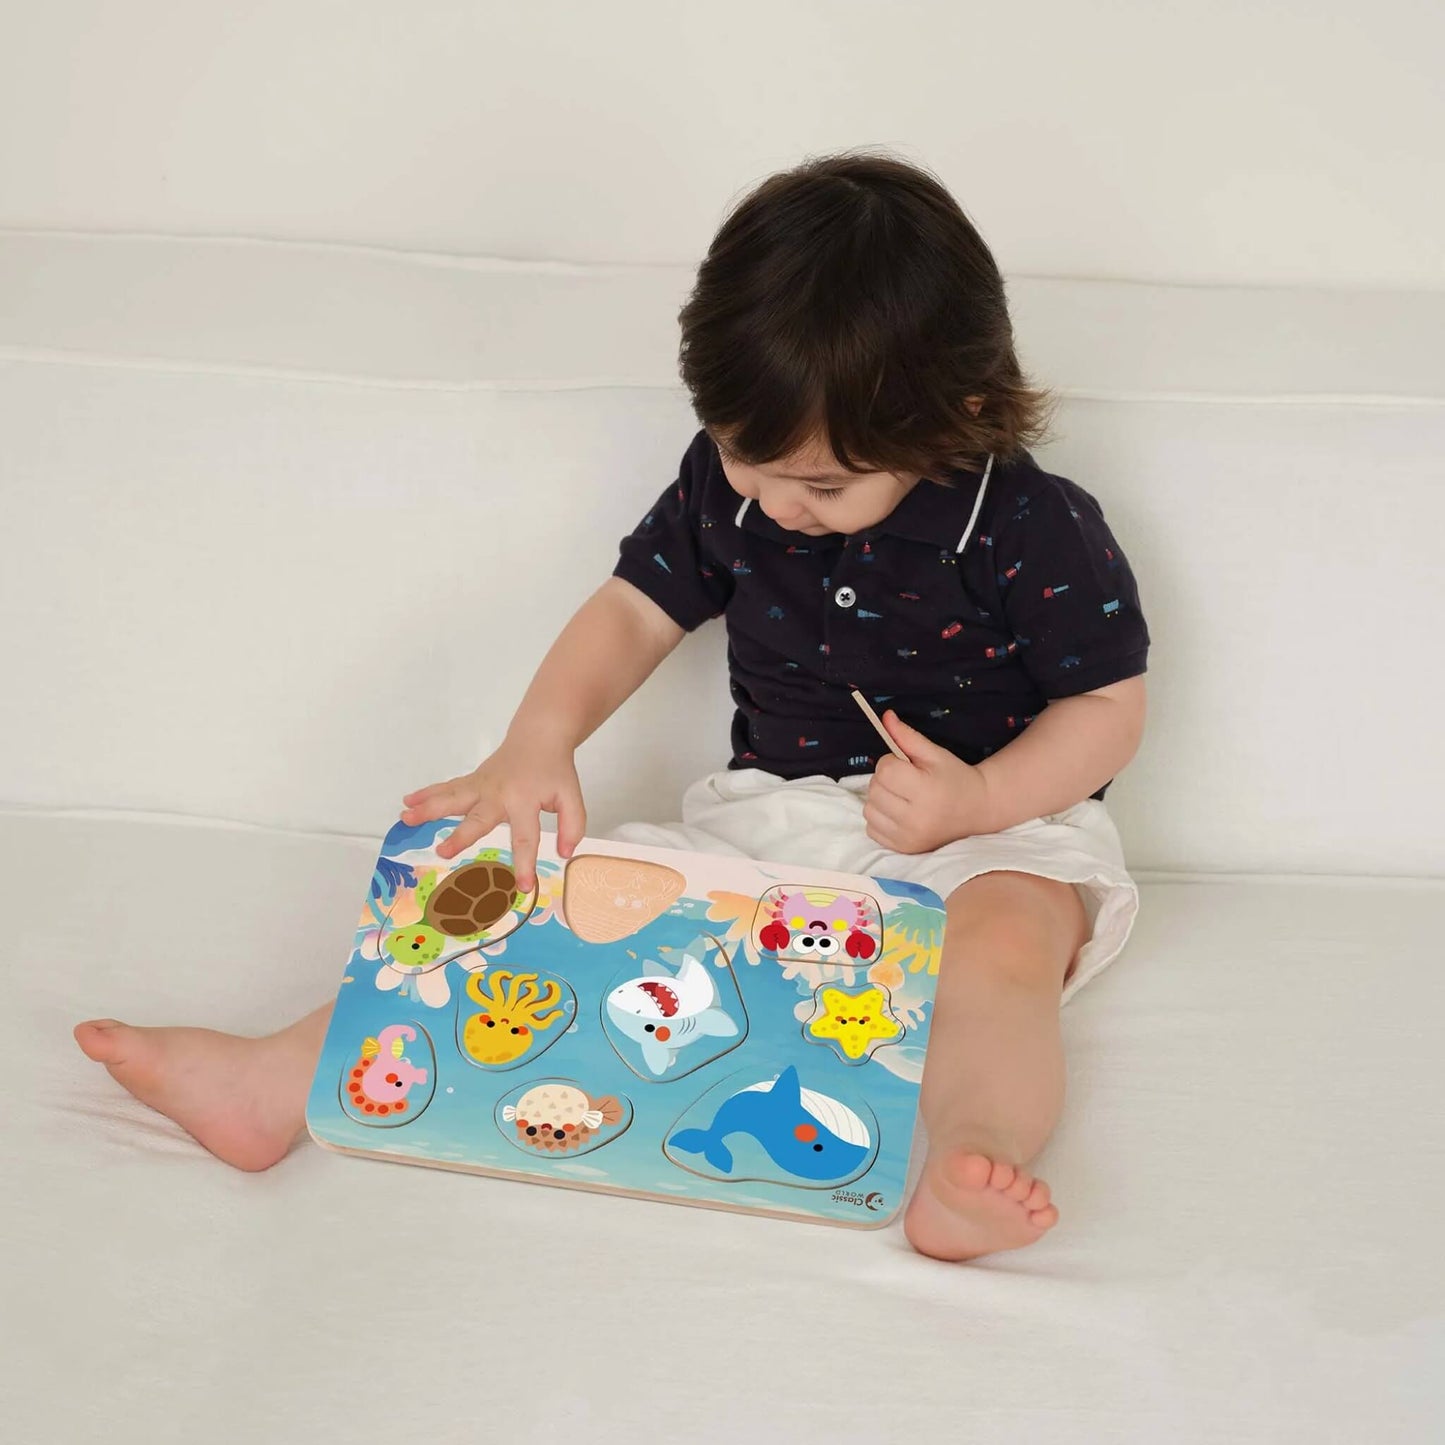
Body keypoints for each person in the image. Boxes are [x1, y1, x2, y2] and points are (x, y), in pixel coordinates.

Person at [75, 152, 1149, 1262]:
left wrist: (980, 799)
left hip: (997, 832)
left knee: (1003, 951)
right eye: (745, 458)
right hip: (769, 819)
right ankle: (277, 1078)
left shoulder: (1031, 525)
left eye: (821, 487)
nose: (775, 502)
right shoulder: (727, 487)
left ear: (956, 413)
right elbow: (635, 609)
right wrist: (537, 738)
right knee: (538, 891)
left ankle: (973, 1156)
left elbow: (1106, 706)